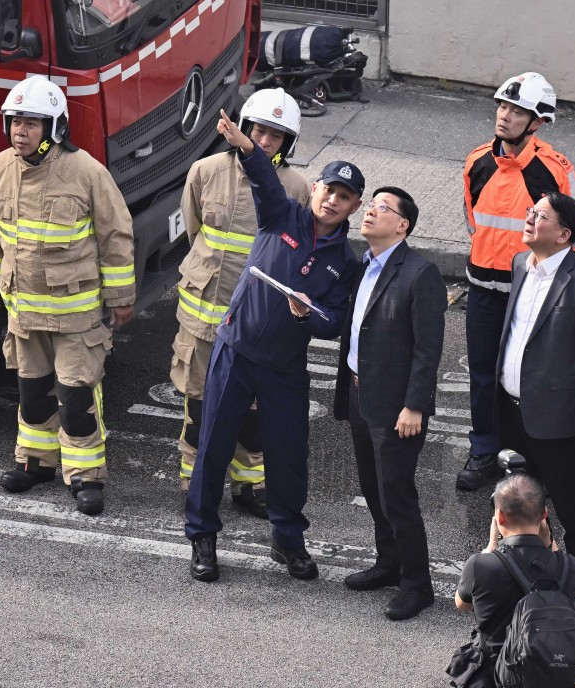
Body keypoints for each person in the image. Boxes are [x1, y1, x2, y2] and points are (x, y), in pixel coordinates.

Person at [184, 109, 361, 582]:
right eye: (329, 190)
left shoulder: (346, 260)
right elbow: (263, 175)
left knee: (287, 454)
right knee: (214, 445)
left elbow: (337, 321)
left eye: (344, 197)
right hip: (236, 349)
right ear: (316, 189)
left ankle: (287, 541)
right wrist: (246, 145)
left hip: (284, 366)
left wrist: (311, 316)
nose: (332, 201)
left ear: (354, 206)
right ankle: (202, 535)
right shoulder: (282, 213)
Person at [0, 74, 135, 516]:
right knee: (32, 392)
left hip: (76, 318)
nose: (18, 132)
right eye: (14, 123)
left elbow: (116, 235)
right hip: (24, 313)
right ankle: (36, 462)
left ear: (54, 127)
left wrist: (121, 296)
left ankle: (85, 476)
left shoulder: (85, 173)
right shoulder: (0, 168)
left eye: (30, 124)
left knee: (77, 395)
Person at [171, 88, 311, 518]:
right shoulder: (205, 170)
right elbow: (194, 230)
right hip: (202, 319)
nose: (265, 140)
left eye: (275, 135)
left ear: (289, 143)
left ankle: (249, 484)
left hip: (256, 324)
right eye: (259, 130)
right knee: (198, 402)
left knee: (252, 410)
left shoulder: (297, 187)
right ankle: (195, 482)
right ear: (244, 128)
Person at [457, 72, 575, 492]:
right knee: (482, 373)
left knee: (526, 377)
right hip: (482, 289)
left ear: (537, 122)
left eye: (517, 111)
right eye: (503, 106)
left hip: (529, 294)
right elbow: (472, 220)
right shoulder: (477, 160)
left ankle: (529, 458)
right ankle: (483, 451)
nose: (506, 116)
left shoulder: (554, 170)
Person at [494, 191, 575, 626]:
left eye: (539, 215)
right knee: (521, 505)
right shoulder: (518, 265)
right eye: (530, 212)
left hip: (559, 417)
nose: (529, 219)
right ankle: (526, 580)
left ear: (564, 233)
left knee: (572, 508)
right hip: (512, 411)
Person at [333, 186, 448, 621]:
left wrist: (415, 405)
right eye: (372, 205)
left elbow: (427, 348)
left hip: (397, 405)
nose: (371, 212)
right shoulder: (365, 265)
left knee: (396, 494)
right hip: (362, 393)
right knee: (372, 488)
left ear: (402, 225)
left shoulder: (420, 273)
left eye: (383, 208)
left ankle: (418, 585)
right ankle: (389, 564)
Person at [448, 473, 575, 688]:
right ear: (544, 514)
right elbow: (560, 581)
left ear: (499, 517)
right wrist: (550, 541)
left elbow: (461, 605)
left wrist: (490, 549)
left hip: (495, 675)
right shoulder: (570, 566)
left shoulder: (481, 566)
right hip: (549, 674)